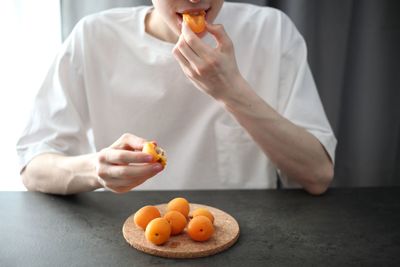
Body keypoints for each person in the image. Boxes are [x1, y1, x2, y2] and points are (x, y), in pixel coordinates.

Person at [16, 0, 337, 195]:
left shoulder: (271, 30)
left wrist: (230, 90)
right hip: (127, 234)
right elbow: (34, 166)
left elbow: (317, 175)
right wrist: (96, 170)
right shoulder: (94, 36)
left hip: (243, 237)